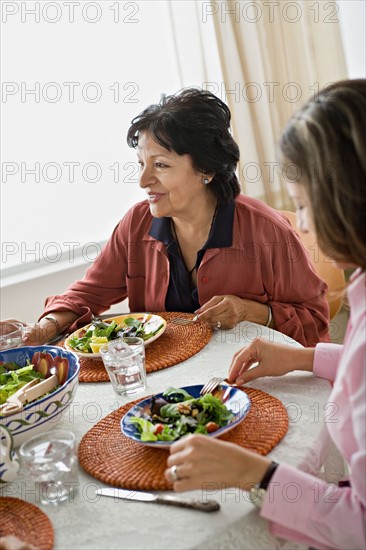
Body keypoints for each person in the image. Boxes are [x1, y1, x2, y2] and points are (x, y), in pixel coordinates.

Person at [165, 80, 366, 550]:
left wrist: (254, 472)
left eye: (302, 202)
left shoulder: (262, 229)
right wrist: (301, 359)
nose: (302, 222)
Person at [12, 88, 329, 347]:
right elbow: (88, 293)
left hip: (252, 379)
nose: (143, 180)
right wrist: (45, 326)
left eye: (160, 165)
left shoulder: (266, 230)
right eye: (141, 164)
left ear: (205, 168)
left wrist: (252, 311)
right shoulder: (136, 225)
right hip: (167, 387)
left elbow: (316, 321)